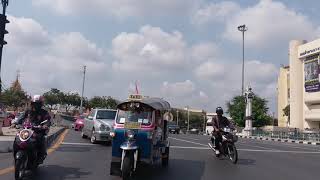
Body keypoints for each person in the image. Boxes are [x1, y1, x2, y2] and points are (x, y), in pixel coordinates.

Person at [11, 95, 51, 163]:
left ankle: (40, 156)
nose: (36, 105)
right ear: (32, 103)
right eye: (35, 103)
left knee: (41, 139)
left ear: (41, 104)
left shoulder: (44, 112)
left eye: (38, 104)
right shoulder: (28, 111)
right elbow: (21, 117)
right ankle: (15, 152)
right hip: (27, 129)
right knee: (17, 138)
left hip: (38, 130)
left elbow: (47, 120)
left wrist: (45, 125)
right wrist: (15, 123)